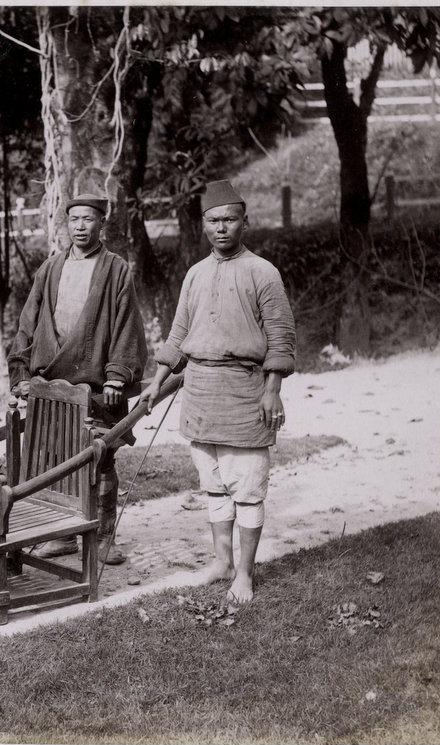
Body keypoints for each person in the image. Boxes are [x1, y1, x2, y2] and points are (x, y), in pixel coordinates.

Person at [139, 179, 295, 604]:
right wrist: (156, 383)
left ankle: (244, 574)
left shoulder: (263, 272)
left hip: (245, 390)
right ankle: (221, 563)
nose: (221, 228)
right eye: (213, 221)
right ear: (203, 224)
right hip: (199, 391)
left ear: (244, 222)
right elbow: (178, 334)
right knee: (213, 486)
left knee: (246, 487)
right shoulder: (195, 273)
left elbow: (280, 338)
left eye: (229, 219)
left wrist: (272, 390)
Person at [8, 194, 148, 565]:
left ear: (102, 223)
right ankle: (66, 533)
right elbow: (27, 323)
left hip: (98, 386)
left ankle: (103, 536)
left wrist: (118, 376)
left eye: (88, 219)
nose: (81, 226)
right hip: (52, 385)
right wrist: (21, 373)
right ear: (65, 225)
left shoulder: (115, 269)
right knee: (56, 460)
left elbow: (127, 325)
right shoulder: (50, 268)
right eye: (74, 220)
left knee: (101, 460)